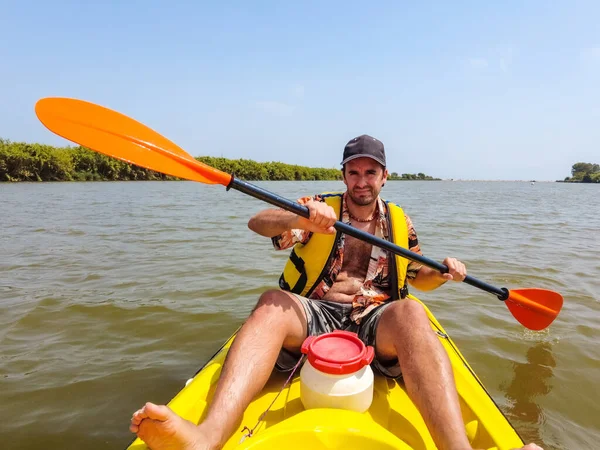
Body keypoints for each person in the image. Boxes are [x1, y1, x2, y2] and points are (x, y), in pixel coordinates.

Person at [129, 135, 544, 450]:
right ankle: (206, 438)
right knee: (270, 303)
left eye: (370, 173)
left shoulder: (400, 221)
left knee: (412, 313)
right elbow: (258, 224)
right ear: (343, 174)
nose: (361, 182)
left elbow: (418, 277)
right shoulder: (316, 207)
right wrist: (301, 217)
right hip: (316, 313)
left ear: (384, 176)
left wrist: (447, 274)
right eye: (353, 172)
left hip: (376, 321)